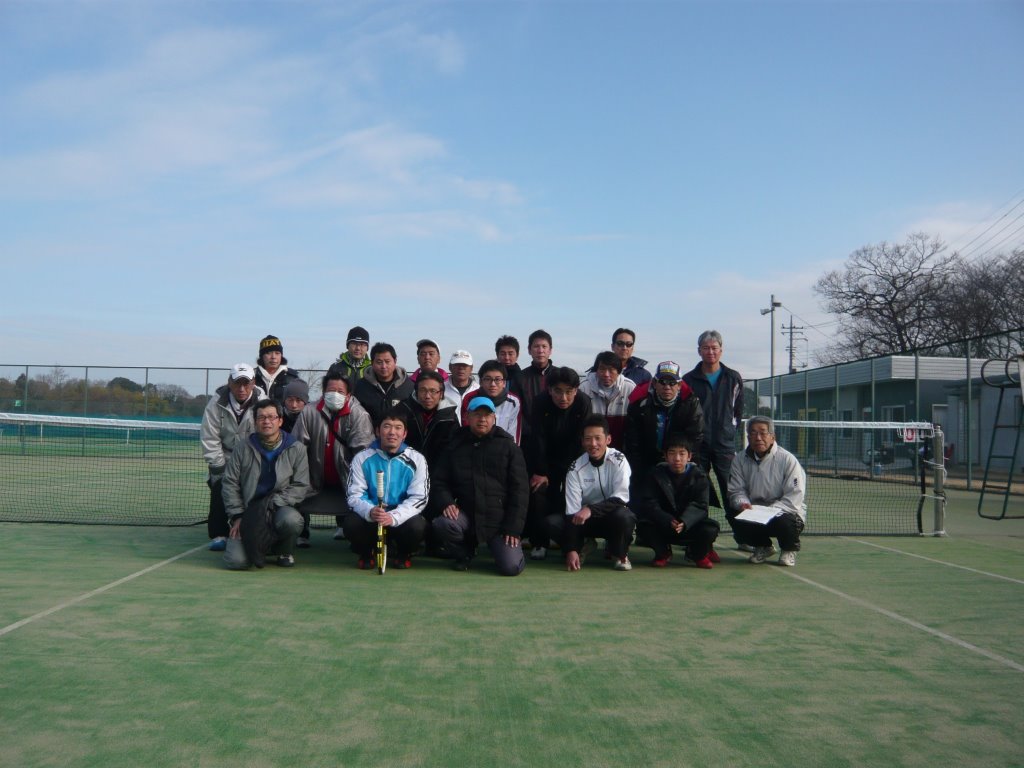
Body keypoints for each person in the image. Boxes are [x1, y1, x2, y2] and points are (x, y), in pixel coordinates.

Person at [431, 396, 528, 575]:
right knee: (443, 524)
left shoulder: (509, 447)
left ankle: (502, 549)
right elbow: (439, 481)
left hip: (499, 521)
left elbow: (520, 491)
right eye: (477, 414)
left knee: (511, 567)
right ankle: (464, 552)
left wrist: (513, 528)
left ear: (494, 418)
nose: (482, 419)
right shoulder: (454, 445)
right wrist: (446, 502)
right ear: (467, 417)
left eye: (487, 415)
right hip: (466, 516)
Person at [222, 399, 310, 570]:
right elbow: (230, 483)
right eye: (261, 417)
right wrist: (237, 516)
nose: (266, 421)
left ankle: (284, 551)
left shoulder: (297, 448)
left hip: (278, 508)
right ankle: (258, 546)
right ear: (255, 422)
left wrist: (272, 504)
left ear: (280, 421)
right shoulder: (242, 447)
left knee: (292, 520)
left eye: (271, 417)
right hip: (249, 511)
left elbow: (300, 485)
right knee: (236, 562)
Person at [291, 370, 374, 546]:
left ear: (348, 395)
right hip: (313, 476)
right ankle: (301, 532)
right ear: (323, 392)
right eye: (330, 390)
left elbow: (363, 454)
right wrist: (301, 476)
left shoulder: (359, 415)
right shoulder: (309, 412)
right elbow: (297, 449)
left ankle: (353, 534)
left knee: (363, 499)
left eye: (340, 391)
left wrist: (356, 481)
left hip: (347, 477)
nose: (335, 394)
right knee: (292, 489)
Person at [343, 409, 429, 569]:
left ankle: (403, 554)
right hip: (373, 518)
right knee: (351, 523)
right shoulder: (361, 458)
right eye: (387, 426)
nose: (392, 432)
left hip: (400, 519)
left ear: (404, 434)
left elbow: (419, 498)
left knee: (417, 526)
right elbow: (354, 495)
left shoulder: (417, 459)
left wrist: (394, 516)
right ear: (377, 431)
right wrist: (371, 511)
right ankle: (366, 554)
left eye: (398, 427)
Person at [522, 366, 593, 560]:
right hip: (545, 458)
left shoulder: (584, 402)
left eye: (569, 392)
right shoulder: (540, 402)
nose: (564, 397)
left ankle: (571, 541)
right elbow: (538, 438)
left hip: (574, 459)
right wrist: (541, 471)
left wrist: (571, 472)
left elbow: (581, 440)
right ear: (549, 390)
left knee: (569, 497)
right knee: (538, 492)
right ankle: (539, 542)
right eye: (558, 391)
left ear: (576, 390)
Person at [682, 330, 745, 547]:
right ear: (699, 351)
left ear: (721, 350)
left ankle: (743, 537)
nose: (710, 352)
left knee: (732, 492)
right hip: (697, 446)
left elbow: (737, 412)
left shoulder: (733, 378)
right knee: (699, 493)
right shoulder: (688, 380)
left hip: (724, 446)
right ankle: (699, 540)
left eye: (714, 348)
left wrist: (728, 433)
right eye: (706, 348)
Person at [553, 415, 636, 572]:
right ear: (582, 441)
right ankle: (583, 545)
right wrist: (571, 549)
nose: (593, 444)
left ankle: (620, 553)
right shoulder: (575, 468)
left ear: (608, 439)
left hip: (611, 517)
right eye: (588, 439)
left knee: (625, 516)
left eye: (598, 438)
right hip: (584, 520)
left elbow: (621, 498)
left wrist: (590, 509)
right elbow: (571, 512)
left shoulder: (619, 460)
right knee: (552, 523)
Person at [200, 364, 266, 551]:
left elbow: (266, 434)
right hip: (225, 456)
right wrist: (219, 466)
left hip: (253, 457)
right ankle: (218, 534)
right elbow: (209, 437)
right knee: (219, 487)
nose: (242, 388)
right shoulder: (215, 403)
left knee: (255, 493)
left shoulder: (263, 402)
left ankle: (253, 529)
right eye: (237, 383)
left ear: (253, 383)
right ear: (229, 382)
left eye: (246, 383)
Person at [728, 416, 806, 566]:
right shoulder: (739, 460)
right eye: (753, 433)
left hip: (783, 511)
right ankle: (763, 546)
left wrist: (771, 510)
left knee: (786, 522)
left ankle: (788, 550)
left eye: (763, 433)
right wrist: (743, 503)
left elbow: (795, 496)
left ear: (772, 437)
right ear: (748, 437)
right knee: (734, 514)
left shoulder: (788, 460)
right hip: (755, 511)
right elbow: (736, 490)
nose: (758, 438)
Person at [636, 434, 720, 569]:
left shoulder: (700, 476)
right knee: (643, 527)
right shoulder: (655, 474)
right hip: (665, 525)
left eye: (682, 453)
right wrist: (667, 519)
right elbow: (649, 503)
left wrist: (685, 521)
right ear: (665, 456)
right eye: (672, 453)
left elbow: (701, 506)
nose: (677, 458)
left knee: (711, 529)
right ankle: (663, 553)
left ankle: (697, 555)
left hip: (689, 526)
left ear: (689, 456)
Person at [625, 361, 704, 496]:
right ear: (655, 383)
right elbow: (633, 441)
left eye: (672, 383)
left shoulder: (691, 404)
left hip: (678, 463)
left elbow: (695, 438)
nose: (667, 387)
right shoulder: (639, 404)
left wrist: (682, 463)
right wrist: (638, 470)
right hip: (646, 463)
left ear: (679, 385)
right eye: (662, 382)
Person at [400, 370, 458, 470]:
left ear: (441, 394)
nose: (427, 396)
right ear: (416, 392)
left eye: (433, 391)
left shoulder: (449, 417)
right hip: (405, 468)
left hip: (438, 471)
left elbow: (453, 450)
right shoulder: (403, 410)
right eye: (423, 390)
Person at [579, 350, 635, 448]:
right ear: (596, 370)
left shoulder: (630, 388)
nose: (606, 374)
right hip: (592, 447)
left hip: (621, 446)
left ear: (619, 371)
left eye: (611, 370)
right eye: (602, 369)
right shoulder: (584, 387)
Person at [460, 360, 523, 444]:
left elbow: (514, 434)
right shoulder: (470, 398)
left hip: (503, 448)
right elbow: (466, 428)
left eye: (497, 379)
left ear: (504, 382)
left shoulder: (513, 402)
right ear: (481, 382)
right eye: (488, 379)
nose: (493, 384)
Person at [354, 342, 415, 427]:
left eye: (387, 361)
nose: (383, 366)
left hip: (399, 434)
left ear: (395, 361)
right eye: (379, 362)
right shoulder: (361, 386)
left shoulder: (409, 386)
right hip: (369, 433)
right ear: (372, 363)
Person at [253, 335, 303, 403]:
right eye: (268, 353)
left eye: (277, 353)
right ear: (261, 356)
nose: (273, 357)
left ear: (281, 355)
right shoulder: (252, 376)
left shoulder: (293, 378)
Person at [519, 329, 554, 421]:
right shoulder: (520, 377)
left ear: (550, 350)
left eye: (544, 346)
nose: (540, 350)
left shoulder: (560, 376)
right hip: (529, 429)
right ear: (529, 350)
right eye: (536, 346)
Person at [443, 349, 479, 419]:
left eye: (465, 365)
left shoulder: (479, 389)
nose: (461, 368)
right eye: (457, 365)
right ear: (450, 367)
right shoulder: (441, 389)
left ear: (471, 368)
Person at [495, 334, 525, 401]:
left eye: (510, 354)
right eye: (503, 354)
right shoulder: (492, 378)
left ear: (517, 355)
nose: (507, 358)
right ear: (497, 355)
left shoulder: (524, 378)